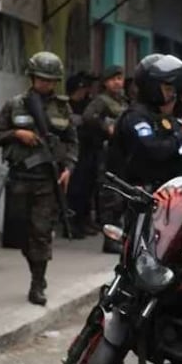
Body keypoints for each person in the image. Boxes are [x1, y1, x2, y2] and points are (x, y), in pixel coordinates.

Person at [0, 51, 78, 306]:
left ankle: (37, 282)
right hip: (20, 176)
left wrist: (68, 168)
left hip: (47, 180)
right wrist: (18, 134)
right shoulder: (15, 104)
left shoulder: (63, 107)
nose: (46, 84)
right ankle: (35, 267)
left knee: (41, 232)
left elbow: (72, 141)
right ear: (32, 77)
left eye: (51, 80)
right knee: (22, 235)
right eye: (41, 79)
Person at [107, 55, 182, 190]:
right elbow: (153, 150)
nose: (172, 95)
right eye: (167, 89)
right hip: (129, 199)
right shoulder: (135, 117)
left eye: (173, 90)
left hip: (161, 195)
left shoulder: (164, 118)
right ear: (152, 88)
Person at [77, 66, 127, 238]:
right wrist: (106, 127)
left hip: (118, 153)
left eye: (120, 78)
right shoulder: (101, 100)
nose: (117, 82)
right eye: (113, 79)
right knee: (106, 193)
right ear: (105, 82)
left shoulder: (122, 100)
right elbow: (88, 117)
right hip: (103, 151)